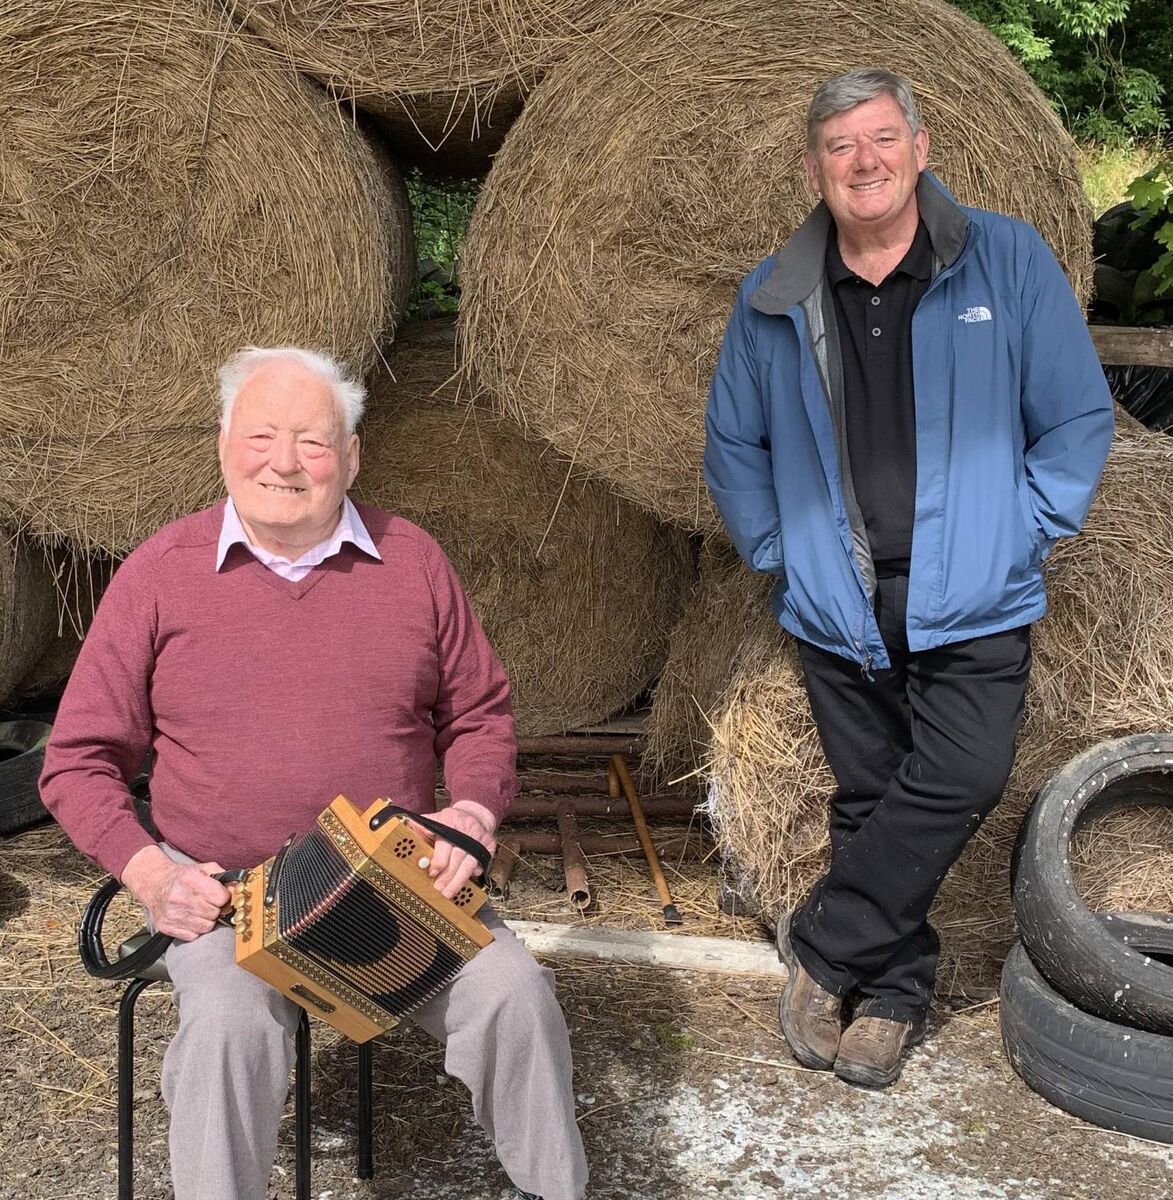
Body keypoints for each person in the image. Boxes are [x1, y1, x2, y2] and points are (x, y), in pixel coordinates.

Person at [41, 346, 588, 1200]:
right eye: (262, 436)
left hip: (390, 885)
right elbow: (76, 761)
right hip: (226, 899)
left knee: (515, 994)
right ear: (225, 444)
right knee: (227, 1028)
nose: (285, 462)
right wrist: (153, 874)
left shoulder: (413, 562)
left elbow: (479, 714)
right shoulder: (160, 572)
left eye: (313, 441)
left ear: (353, 455)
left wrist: (473, 816)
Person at [704, 67, 1113, 1088]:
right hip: (839, 596)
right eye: (841, 148)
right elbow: (733, 444)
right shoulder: (775, 297)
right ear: (813, 170)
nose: (865, 162)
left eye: (883, 139)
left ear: (921, 149)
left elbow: (1074, 417)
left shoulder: (1006, 262)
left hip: (976, 588)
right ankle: (891, 994)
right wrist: (779, 548)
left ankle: (829, 944)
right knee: (871, 794)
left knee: (964, 773)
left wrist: (1025, 531)